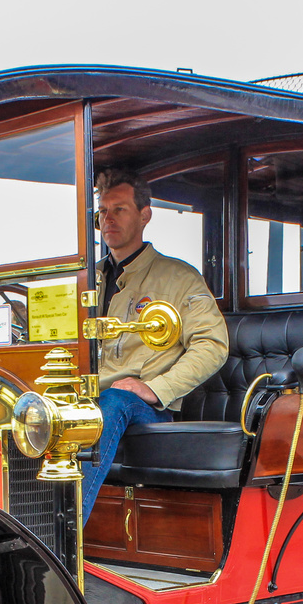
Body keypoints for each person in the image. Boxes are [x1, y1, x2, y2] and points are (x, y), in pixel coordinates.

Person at [79, 169, 229, 522]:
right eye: (102, 211)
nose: (108, 219)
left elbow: (213, 344)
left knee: (115, 400)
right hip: (90, 401)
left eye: (120, 209)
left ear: (145, 215)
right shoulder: (88, 278)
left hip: (145, 410)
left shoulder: (178, 277)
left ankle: (62, 539)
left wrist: (153, 388)